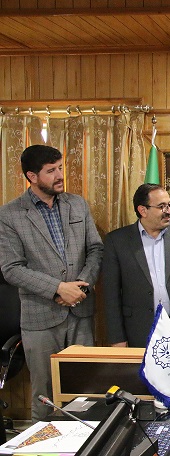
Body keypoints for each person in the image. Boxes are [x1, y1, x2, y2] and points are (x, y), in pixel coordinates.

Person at [0, 145, 103, 421]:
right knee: (45, 397)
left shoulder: (77, 204)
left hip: (81, 312)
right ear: (32, 176)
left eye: (60, 168)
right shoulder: (10, 215)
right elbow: (11, 269)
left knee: (85, 392)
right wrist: (58, 288)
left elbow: (95, 249)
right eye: (51, 171)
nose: (59, 175)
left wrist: (81, 285)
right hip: (40, 318)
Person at [103, 183, 170, 348]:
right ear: (143, 210)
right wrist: (117, 338)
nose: (169, 211)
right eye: (162, 206)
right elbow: (111, 295)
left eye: (169, 205)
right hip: (138, 329)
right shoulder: (117, 241)